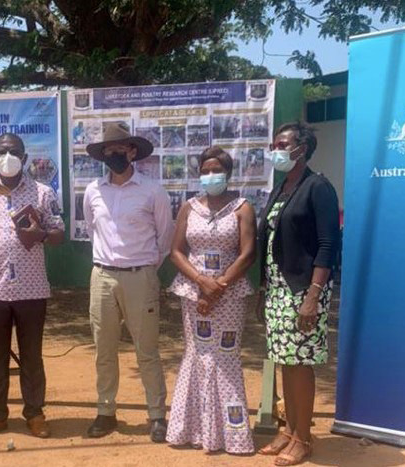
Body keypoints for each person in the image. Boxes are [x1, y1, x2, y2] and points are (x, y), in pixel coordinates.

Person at [0, 133, 65, 442]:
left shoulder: (43, 192)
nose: (7, 157)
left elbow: (59, 234)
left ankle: (34, 413)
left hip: (32, 290)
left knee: (31, 355)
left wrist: (42, 235)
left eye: (13, 152)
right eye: (1, 152)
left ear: (24, 156)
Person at [82, 122, 174, 442]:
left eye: (120, 149)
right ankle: (106, 412)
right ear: (102, 155)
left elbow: (165, 239)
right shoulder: (94, 190)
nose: (115, 154)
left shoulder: (153, 191)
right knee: (103, 349)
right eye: (109, 150)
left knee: (146, 350)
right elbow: (93, 229)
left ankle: (157, 415)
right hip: (103, 276)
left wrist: (144, 267)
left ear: (133, 151)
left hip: (140, 277)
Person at [256, 122, 340, 466]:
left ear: (300, 149)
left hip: (304, 289)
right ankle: (289, 430)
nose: (275, 149)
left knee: (300, 365)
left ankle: (303, 439)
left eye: (281, 143)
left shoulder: (318, 187)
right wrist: (264, 289)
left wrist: (313, 294)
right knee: (284, 363)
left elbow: (328, 243)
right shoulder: (282, 188)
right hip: (278, 289)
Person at [166, 146, 257, 454]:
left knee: (225, 357)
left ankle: (231, 436)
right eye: (204, 170)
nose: (210, 175)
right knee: (197, 355)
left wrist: (218, 286)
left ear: (227, 173)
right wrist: (202, 282)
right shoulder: (189, 207)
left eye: (215, 169)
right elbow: (176, 251)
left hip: (230, 293)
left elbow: (247, 253)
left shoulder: (242, 207)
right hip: (193, 291)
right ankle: (192, 430)